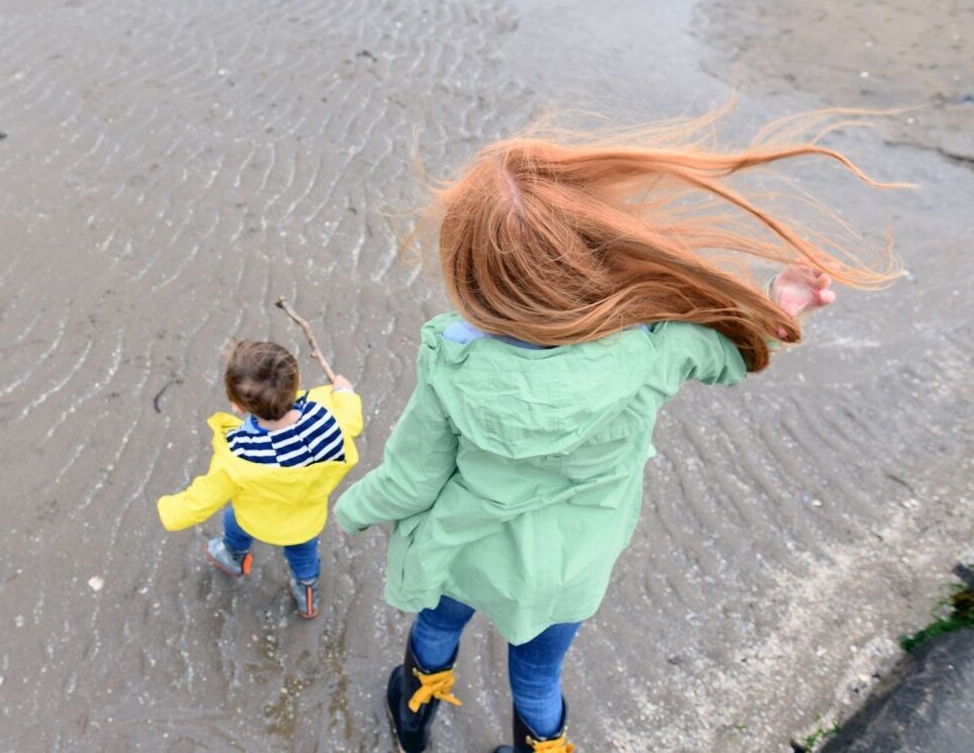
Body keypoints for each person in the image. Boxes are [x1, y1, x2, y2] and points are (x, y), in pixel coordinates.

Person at [333, 111, 900, 751]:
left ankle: (415, 707)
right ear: (595, 253)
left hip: (466, 548)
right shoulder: (653, 351)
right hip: (573, 564)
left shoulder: (451, 361)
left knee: (438, 624)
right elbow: (732, 356)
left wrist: (353, 508)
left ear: (472, 278)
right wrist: (781, 303)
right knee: (539, 678)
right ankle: (539, 748)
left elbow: (412, 478)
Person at [158, 340, 363, 619]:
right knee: (303, 555)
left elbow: (204, 496)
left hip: (253, 518)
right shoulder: (328, 421)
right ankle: (307, 593)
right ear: (298, 380)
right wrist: (344, 393)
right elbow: (352, 419)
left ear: (237, 406)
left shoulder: (238, 453)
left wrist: (170, 511)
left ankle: (232, 559)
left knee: (233, 523)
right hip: (304, 520)